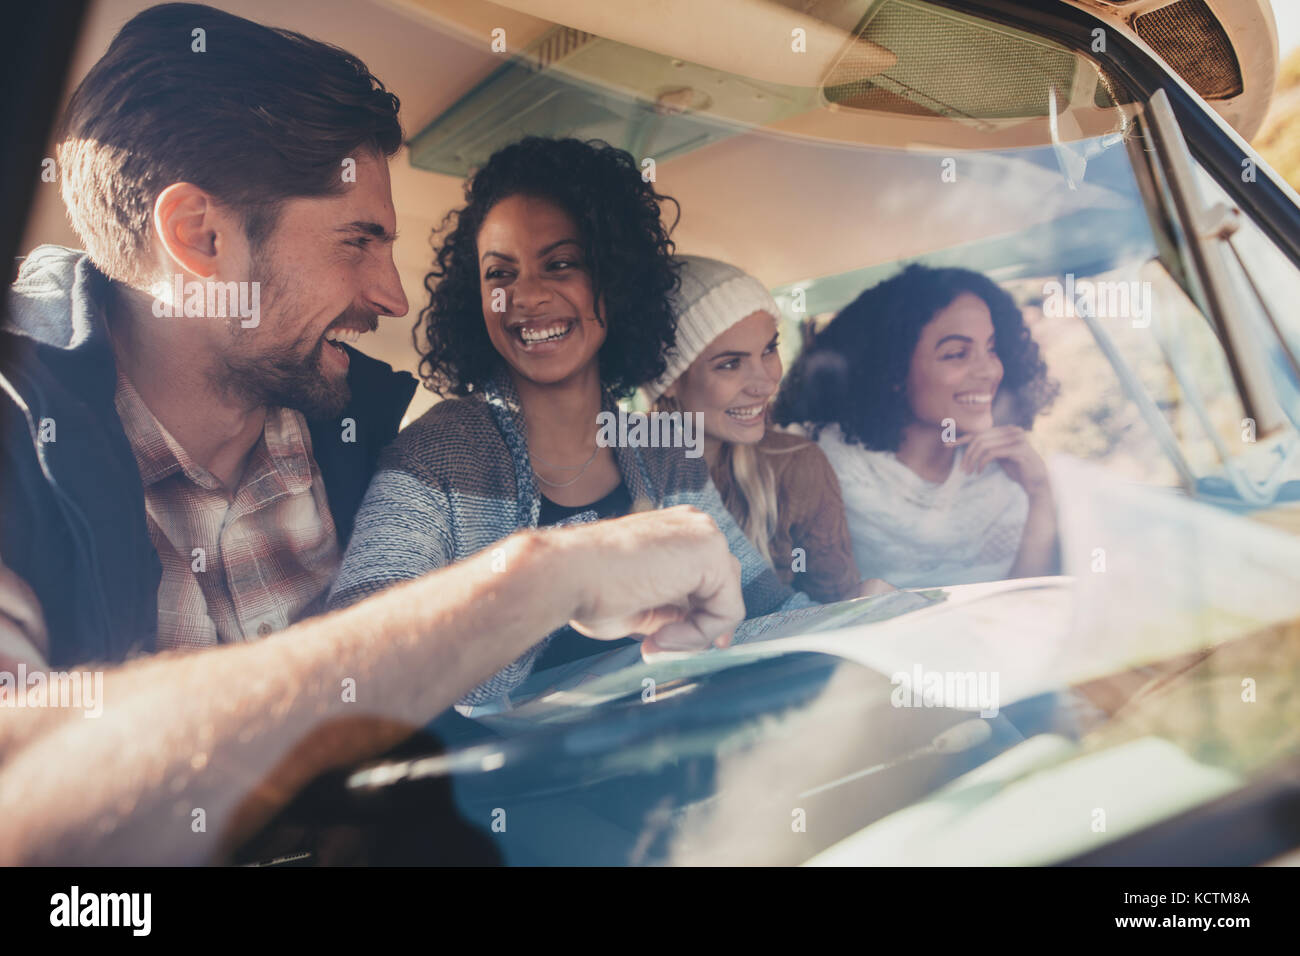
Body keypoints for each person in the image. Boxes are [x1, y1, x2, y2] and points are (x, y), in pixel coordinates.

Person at [0, 4, 744, 865]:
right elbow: (24, 792)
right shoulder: (20, 443)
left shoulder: (353, 436)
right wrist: (545, 577)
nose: (393, 296)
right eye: (359, 240)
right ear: (199, 237)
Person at [328, 139, 813, 698]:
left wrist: (874, 614)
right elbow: (359, 658)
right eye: (499, 275)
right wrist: (553, 584)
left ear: (615, 281)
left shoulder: (664, 451)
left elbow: (760, 607)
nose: (525, 296)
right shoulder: (432, 456)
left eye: (560, 264)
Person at [775, 264, 1060, 588]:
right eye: (956, 354)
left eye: (991, 348)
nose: (990, 371)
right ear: (893, 370)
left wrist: (1040, 492)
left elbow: (1030, 603)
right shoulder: (822, 464)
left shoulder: (1011, 468)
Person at [644, 255, 891, 603]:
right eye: (730, 364)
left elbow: (834, 610)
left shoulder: (797, 463)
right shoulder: (620, 471)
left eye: (769, 349)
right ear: (668, 380)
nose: (765, 384)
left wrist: (865, 601)